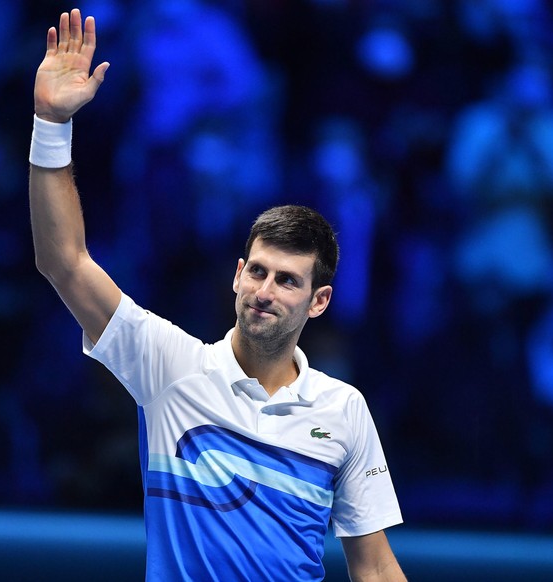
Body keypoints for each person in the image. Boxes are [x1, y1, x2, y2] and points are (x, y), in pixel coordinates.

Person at [28, 9, 407, 581]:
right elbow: (65, 262)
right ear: (236, 275)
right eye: (256, 272)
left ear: (319, 301)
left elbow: (375, 570)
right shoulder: (170, 367)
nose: (264, 291)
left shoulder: (344, 411)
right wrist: (51, 122)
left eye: (287, 281)